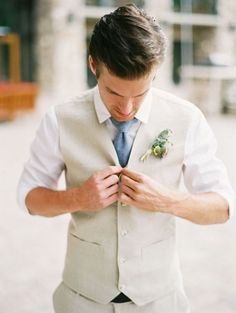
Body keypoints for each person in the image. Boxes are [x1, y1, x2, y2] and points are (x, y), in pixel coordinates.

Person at [17, 4, 234, 313]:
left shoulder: (187, 118)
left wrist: (167, 201)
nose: (127, 108)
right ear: (93, 65)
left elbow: (222, 208)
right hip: (81, 300)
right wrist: (78, 197)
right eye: (114, 93)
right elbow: (29, 198)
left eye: (141, 94)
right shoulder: (59, 119)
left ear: (155, 73)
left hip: (161, 301)